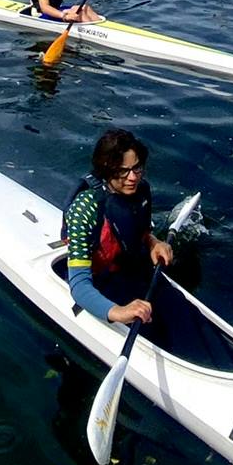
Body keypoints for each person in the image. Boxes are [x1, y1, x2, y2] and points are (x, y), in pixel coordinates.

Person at [64, 130, 173, 326]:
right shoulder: (85, 209)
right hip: (101, 284)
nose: (132, 177)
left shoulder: (140, 190)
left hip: (132, 270)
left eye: (137, 168)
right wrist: (118, 312)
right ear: (106, 169)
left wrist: (153, 242)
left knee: (180, 312)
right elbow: (79, 284)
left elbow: (140, 232)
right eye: (123, 171)